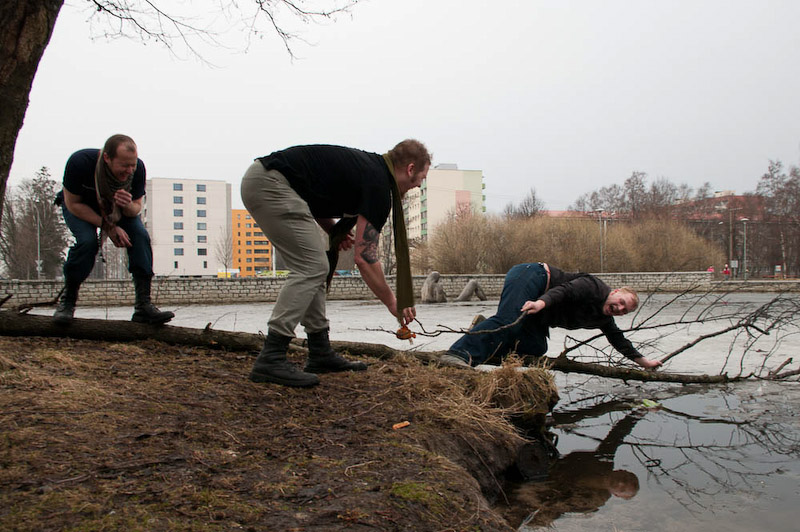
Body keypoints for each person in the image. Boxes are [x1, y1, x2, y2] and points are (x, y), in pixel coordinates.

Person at [241, 140, 431, 388]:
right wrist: (393, 302)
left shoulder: (371, 170)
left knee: (315, 267)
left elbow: (313, 189)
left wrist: (333, 229)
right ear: (410, 169)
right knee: (312, 267)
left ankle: (319, 352)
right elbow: (364, 258)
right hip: (271, 184)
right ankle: (272, 356)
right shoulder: (379, 184)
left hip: (266, 181)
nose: (419, 185)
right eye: (421, 177)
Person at [441, 262, 662, 369]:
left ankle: (485, 333)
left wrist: (644, 362)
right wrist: (540, 302)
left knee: (537, 348)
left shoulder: (604, 318)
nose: (620, 309)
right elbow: (564, 291)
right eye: (621, 302)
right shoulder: (593, 286)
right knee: (509, 321)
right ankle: (458, 355)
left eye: (625, 311)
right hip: (533, 276)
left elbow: (618, 340)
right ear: (614, 293)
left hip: (541, 309)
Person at [53, 135, 174, 326]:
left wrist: (126, 205)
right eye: (124, 165)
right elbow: (73, 204)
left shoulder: (137, 169)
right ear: (107, 158)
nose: (129, 170)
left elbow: (136, 208)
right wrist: (108, 227)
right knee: (87, 242)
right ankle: (67, 303)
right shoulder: (80, 163)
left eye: (132, 165)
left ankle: (143, 306)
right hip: (81, 206)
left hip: (118, 209)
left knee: (140, 237)